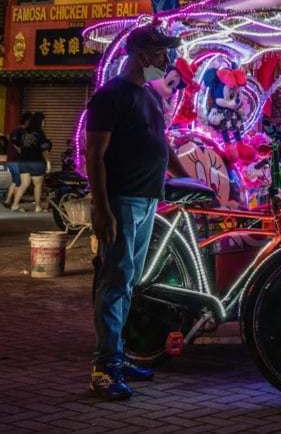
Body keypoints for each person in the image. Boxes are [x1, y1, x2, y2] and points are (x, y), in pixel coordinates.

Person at [86, 23, 190, 399]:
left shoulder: (147, 97)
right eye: (161, 52)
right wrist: (101, 210)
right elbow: (94, 155)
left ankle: (118, 354)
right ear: (142, 54)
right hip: (122, 200)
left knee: (128, 280)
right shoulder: (109, 97)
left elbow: (163, 146)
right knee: (114, 280)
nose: (166, 60)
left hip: (148, 199)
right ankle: (104, 365)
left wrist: (191, 180)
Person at [11, 112, 52, 212]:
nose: (44, 123)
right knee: (37, 185)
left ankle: (15, 205)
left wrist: (21, 151)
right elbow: (44, 149)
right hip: (36, 162)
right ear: (39, 122)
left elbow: (15, 142)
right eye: (43, 121)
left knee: (24, 184)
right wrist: (48, 162)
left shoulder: (23, 132)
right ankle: (37, 207)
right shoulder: (40, 134)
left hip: (24, 162)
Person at [4, 111, 31, 208]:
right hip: (16, 160)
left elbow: (9, 138)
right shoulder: (21, 131)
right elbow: (16, 144)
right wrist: (23, 153)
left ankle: (7, 201)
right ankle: (15, 204)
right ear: (27, 121)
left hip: (10, 159)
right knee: (20, 182)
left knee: (15, 181)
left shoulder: (14, 130)